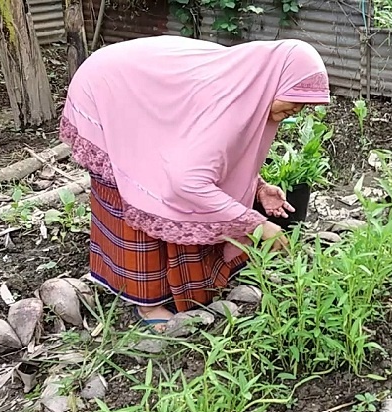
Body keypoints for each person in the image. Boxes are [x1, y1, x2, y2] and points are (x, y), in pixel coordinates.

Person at [59, 35, 330, 330]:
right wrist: (257, 224)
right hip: (106, 91)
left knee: (170, 188)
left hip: (147, 100)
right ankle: (146, 303)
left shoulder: (249, 84)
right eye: (294, 99)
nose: (297, 110)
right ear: (274, 80)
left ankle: (181, 286)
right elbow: (185, 183)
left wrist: (260, 188)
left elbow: (216, 157)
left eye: (305, 105)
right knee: (141, 190)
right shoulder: (230, 103)